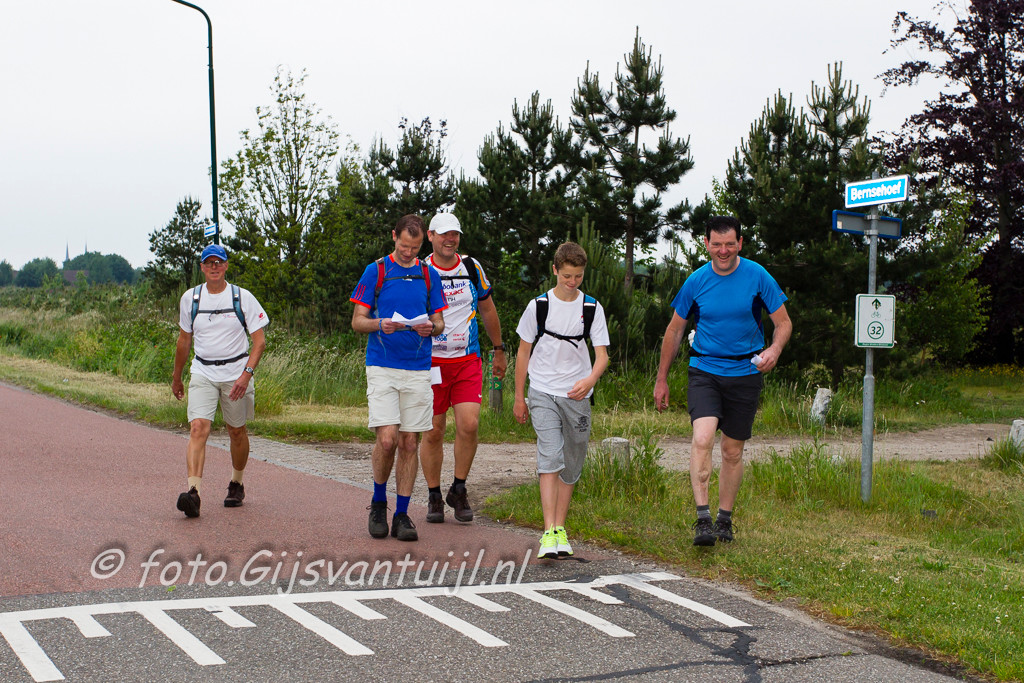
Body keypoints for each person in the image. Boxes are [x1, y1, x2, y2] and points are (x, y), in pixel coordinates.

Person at [653, 216, 791, 546]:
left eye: (730, 244)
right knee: (702, 438)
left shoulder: (758, 276)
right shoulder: (696, 281)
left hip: (745, 373)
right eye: (717, 244)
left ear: (740, 243)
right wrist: (661, 378)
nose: (723, 251)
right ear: (707, 244)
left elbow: (783, 323)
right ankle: (702, 519)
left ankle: (724, 520)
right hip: (705, 370)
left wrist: (774, 349)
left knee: (731, 450)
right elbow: (675, 330)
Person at [350, 215, 447, 542]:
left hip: (418, 367)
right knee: (388, 439)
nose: (408, 253)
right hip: (382, 365)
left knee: (409, 442)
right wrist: (380, 324)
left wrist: (431, 327)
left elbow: (440, 321)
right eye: (404, 246)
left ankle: (402, 514)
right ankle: (379, 503)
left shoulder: (428, 274)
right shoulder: (376, 270)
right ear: (394, 236)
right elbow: (357, 321)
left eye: (415, 248)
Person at [513, 242, 609, 559]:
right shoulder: (538, 307)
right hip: (542, 390)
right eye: (567, 275)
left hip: (577, 394)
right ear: (555, 270)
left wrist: (590, 380)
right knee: (550, 454)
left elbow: (602, 356)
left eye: (578, 276)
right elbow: (523, 353)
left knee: (572, 459)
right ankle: (548, 532)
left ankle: (560, 528)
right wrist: (519, 397)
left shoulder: (592, 308)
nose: (572, 282)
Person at [419, 213, 506, 524]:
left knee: (469, 424)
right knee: (433, 431)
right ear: (430, 236)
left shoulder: (471, 267)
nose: (450, 239)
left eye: (454, 234)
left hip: (467, 359)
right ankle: (433, 495)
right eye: (444, 234)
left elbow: (487, 308)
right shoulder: (420, 270)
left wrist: (498, 349)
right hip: (431, 361)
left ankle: (458, 488)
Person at [171, 244, 270, 518]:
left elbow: (259, 342)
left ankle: (237, 483)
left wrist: (245, 375)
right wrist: (177, 377)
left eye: (219, 262)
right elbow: (184, 341)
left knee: (236, 431)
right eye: (209, 263)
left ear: (226, 266)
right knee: (197, 428)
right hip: (203, 371)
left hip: (236, 373)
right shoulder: (191, 299)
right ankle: (193, 493)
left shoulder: (242, 297)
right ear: (202, 267)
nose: (214, 267)